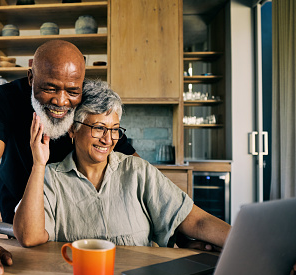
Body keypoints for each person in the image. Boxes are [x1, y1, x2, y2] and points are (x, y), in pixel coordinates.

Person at [0, 41, 138, 275]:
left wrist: (177, 226)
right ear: (31, 77)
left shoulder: (89, 101)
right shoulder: (6, 99)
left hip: (77, 230)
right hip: (23, 231)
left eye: (72, 91)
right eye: (50, 88)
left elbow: (137, 169)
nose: (61, 101)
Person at [13, 80, 231, 249]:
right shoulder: (51, 177)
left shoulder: (138, 172)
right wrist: (39, 164)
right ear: (72, 129)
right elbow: (30, 237)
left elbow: (197, 220)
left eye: (114, 129)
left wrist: (249, 244)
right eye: (99, 128)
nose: (108, 140)